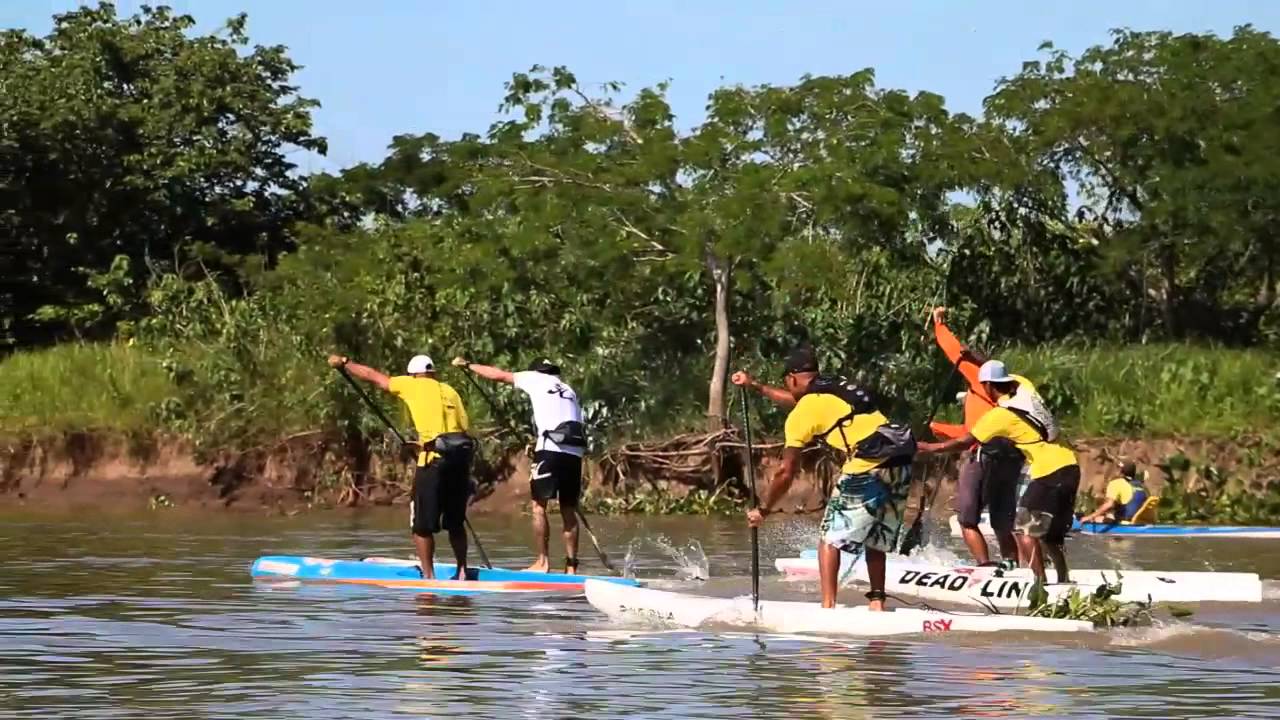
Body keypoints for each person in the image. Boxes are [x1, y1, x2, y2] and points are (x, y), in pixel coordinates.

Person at [739, 347, 914, 610]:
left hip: (866, 465)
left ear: (792, 379)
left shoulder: (802, 414)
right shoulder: (834, 387)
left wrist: (764, 509)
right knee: (875, 538)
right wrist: (756, 386)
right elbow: (796, 400)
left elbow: (787, 472)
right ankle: (877, 603)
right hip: (901, 459)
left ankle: (828, 606)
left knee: (829, 539)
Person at [917, 360, 1079, 583]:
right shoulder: (1026, 389)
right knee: (1051, 536)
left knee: (1024, 531)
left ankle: (1041, 587)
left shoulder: (999, 416)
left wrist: (930, 447)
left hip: (1048, 472)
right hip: (1071, 466)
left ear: (987, 386)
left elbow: (966, 441)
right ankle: (1063, 580)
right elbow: (1011, 377)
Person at [327, 353, 472, 580]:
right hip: (460, 461)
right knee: (455, 522)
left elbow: (375, 377)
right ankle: (462, 570)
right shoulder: (450, 391)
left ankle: (428, 576)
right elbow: (462, 428)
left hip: (433, 462)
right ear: (433, 372)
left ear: (413, 375)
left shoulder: (411, 385)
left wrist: (346, 363)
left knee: (421, 525)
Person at [452, 356, 587, 574]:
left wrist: (468, 365)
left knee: (538, 506)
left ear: (536, 371)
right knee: (568, 510)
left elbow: (498, 375)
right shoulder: (568, 389)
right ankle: (571, 568)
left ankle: (542, 563)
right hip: (575, 451)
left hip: (551, 448)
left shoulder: (534, 378)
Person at [928, 306, 1034, 567]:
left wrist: (939, 324)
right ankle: (1014, 566)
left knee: (966, 519)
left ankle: (985, 567)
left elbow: (953, 352)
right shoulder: (1018, 391)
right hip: (1012, 459)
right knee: (1002, 521)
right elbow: (973, 431)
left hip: (981, 457)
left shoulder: (979, 380)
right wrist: (938, 426)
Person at [1081, 462, 1150, 524]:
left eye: (1118, 468)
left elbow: (1109, 504)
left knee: (1095, 519)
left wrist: (1090, 516)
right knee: (1108, 515)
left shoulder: (1116, 483)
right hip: (1140, 521)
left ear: (1121, 472)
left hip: (1125, 521)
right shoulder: (1140, 485)